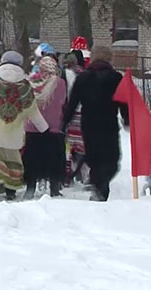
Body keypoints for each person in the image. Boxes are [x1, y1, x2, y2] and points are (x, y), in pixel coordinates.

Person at [0, 51, 49, 202]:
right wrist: (45, 129)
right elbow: (34, 112)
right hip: (13, 136)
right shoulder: (25, 86)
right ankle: (10, 192)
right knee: (12, 164)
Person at [63, 46, 128, 202]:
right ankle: (99, 187)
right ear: (109, 59)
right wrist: (127, 119)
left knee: (94, 159)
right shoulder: (116, 77)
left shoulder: (83, 78)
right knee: (111, 160)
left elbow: (72, 103)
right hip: (108, 126)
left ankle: (97, 186)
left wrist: (65, 122)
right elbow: (124, 103)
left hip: (88, 126)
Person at [23, 56, 68, 199]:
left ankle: (30, 188)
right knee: (54, 160)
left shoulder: (30, 82)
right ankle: (54, 188)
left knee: (32, 160)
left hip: (32, 127)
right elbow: (63, 101)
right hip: (54, 127)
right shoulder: (60, 83)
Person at [63, 52, 88, 186]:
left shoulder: (61, 74)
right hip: (82, 113)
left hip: (68, 113)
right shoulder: (84, 74)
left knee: (68, 146)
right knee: (82, 145)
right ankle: (83, 174)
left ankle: (69, 174)